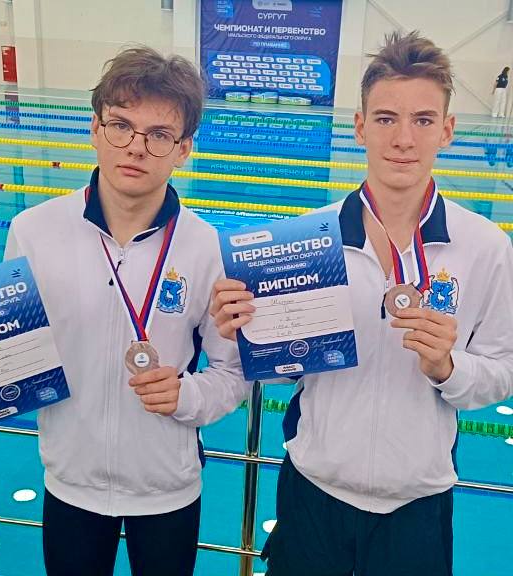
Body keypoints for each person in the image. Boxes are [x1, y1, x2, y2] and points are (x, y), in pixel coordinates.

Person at [0, 47, 251, 576]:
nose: (136, 147)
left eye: (159, 135)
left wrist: (187, 396)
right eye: (121, 125)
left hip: (167, 490)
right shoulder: (33, 232)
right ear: (94, 129)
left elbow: (233, 373)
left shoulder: (207, 248)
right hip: (71, 485)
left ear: (183, 150)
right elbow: (4, 354)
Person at [211, 31, 513, 576]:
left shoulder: (486, 248)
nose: (403, 138)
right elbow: (280, 375)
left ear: (447, 130)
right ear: (359, 126)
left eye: (423, 120)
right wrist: (249, 334)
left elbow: (501, 374)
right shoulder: (307, 241)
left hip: (417, 504)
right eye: (386, 118)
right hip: (313, 493)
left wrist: (449, 367)